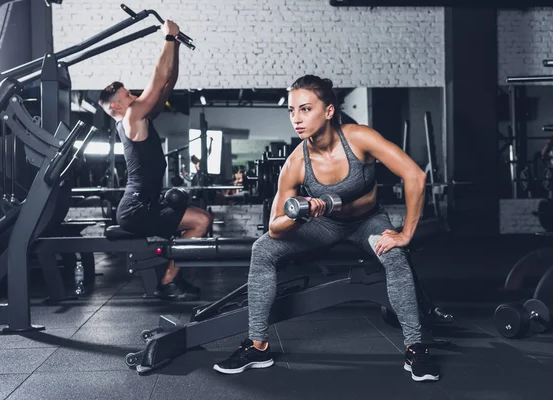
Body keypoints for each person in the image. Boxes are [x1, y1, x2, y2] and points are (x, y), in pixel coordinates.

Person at [213, 75, 440, 382]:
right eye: (292, 111)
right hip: (324, 226)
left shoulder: (359, 138)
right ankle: (258, 346)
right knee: (262, 248)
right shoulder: (296, 162)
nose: (297, 118)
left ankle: (416, 348)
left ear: (329, 111)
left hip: (368, 222)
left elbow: (415, 176)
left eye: (305, 109)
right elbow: (275, 227)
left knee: (395, 254)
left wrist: (406, 233)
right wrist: (302, 214)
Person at [97, 20, 212, 301]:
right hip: (136, 209)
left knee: (200, 218)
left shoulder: (138, 117)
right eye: (127, 96)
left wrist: (176, 47)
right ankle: (169, 280)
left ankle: (172, 276)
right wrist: (168, 38)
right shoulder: (130, 118)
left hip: (144, 204)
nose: (134, 97)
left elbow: (167, 82)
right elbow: (158, 79)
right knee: (201, 221)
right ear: (116, 106)